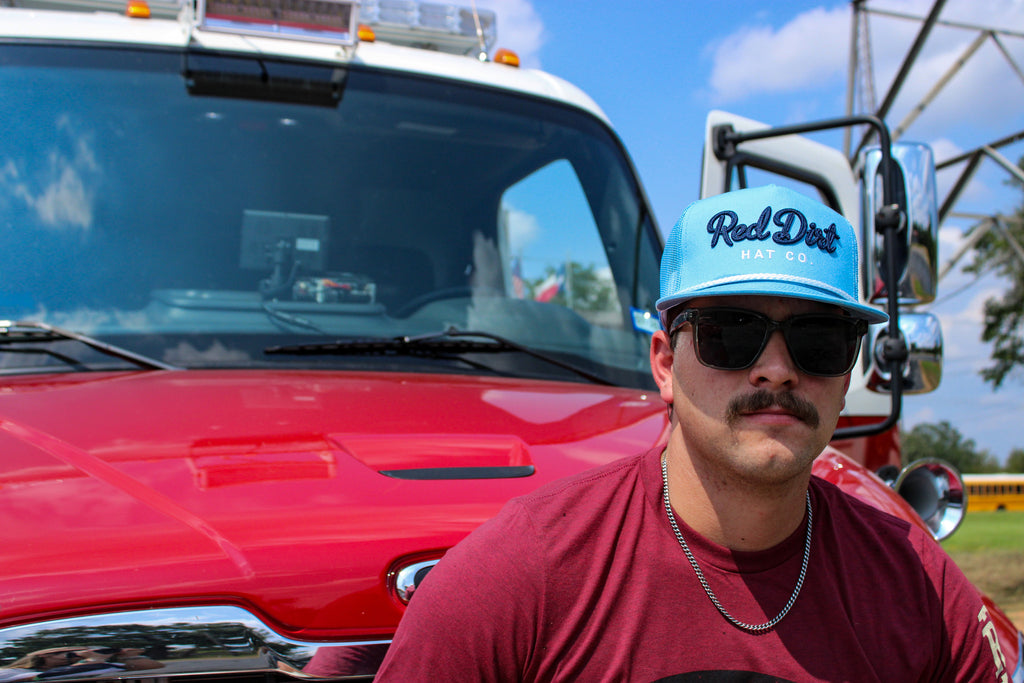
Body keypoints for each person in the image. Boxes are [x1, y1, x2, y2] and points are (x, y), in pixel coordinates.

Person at [375, 185, 1007, 681]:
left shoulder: (913, 576)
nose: (778, 369)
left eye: (820, 340)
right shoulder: (520, 574)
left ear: (847, 376)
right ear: (666, 365)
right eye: (730, 333)